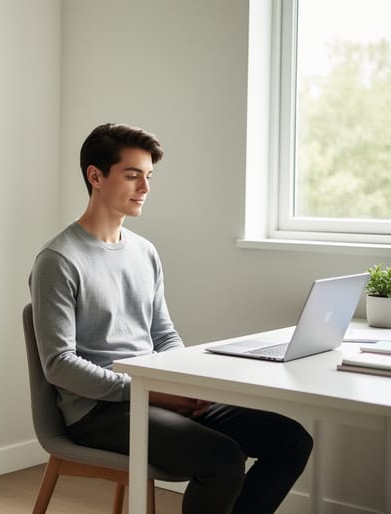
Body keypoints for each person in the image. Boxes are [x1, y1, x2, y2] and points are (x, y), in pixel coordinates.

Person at [28, 123, 313, 513]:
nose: (145, 187)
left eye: (149, 176)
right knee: (223, 458)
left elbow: (164, 335)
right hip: (98, 410)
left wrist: (184, 384)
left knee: (291, 440)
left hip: (155, 392)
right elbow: (59, 365)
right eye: (132, 175)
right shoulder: (58, 260)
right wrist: (148, 390)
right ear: (96, 176)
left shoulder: (144, 252)